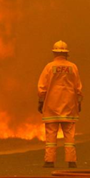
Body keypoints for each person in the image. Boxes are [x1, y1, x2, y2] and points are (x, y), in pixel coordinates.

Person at [38, 40, 83, 168]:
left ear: (54, 53)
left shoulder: (49, 67)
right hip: (69, 105)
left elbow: (42, 87)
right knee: (69, 134)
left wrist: (41, 101)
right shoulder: (73, 67)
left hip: (51, 105)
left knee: (51, 134)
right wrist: (79, 102)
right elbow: (78, 87)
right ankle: (71, 161)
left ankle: (49, 161)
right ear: (66, 54)